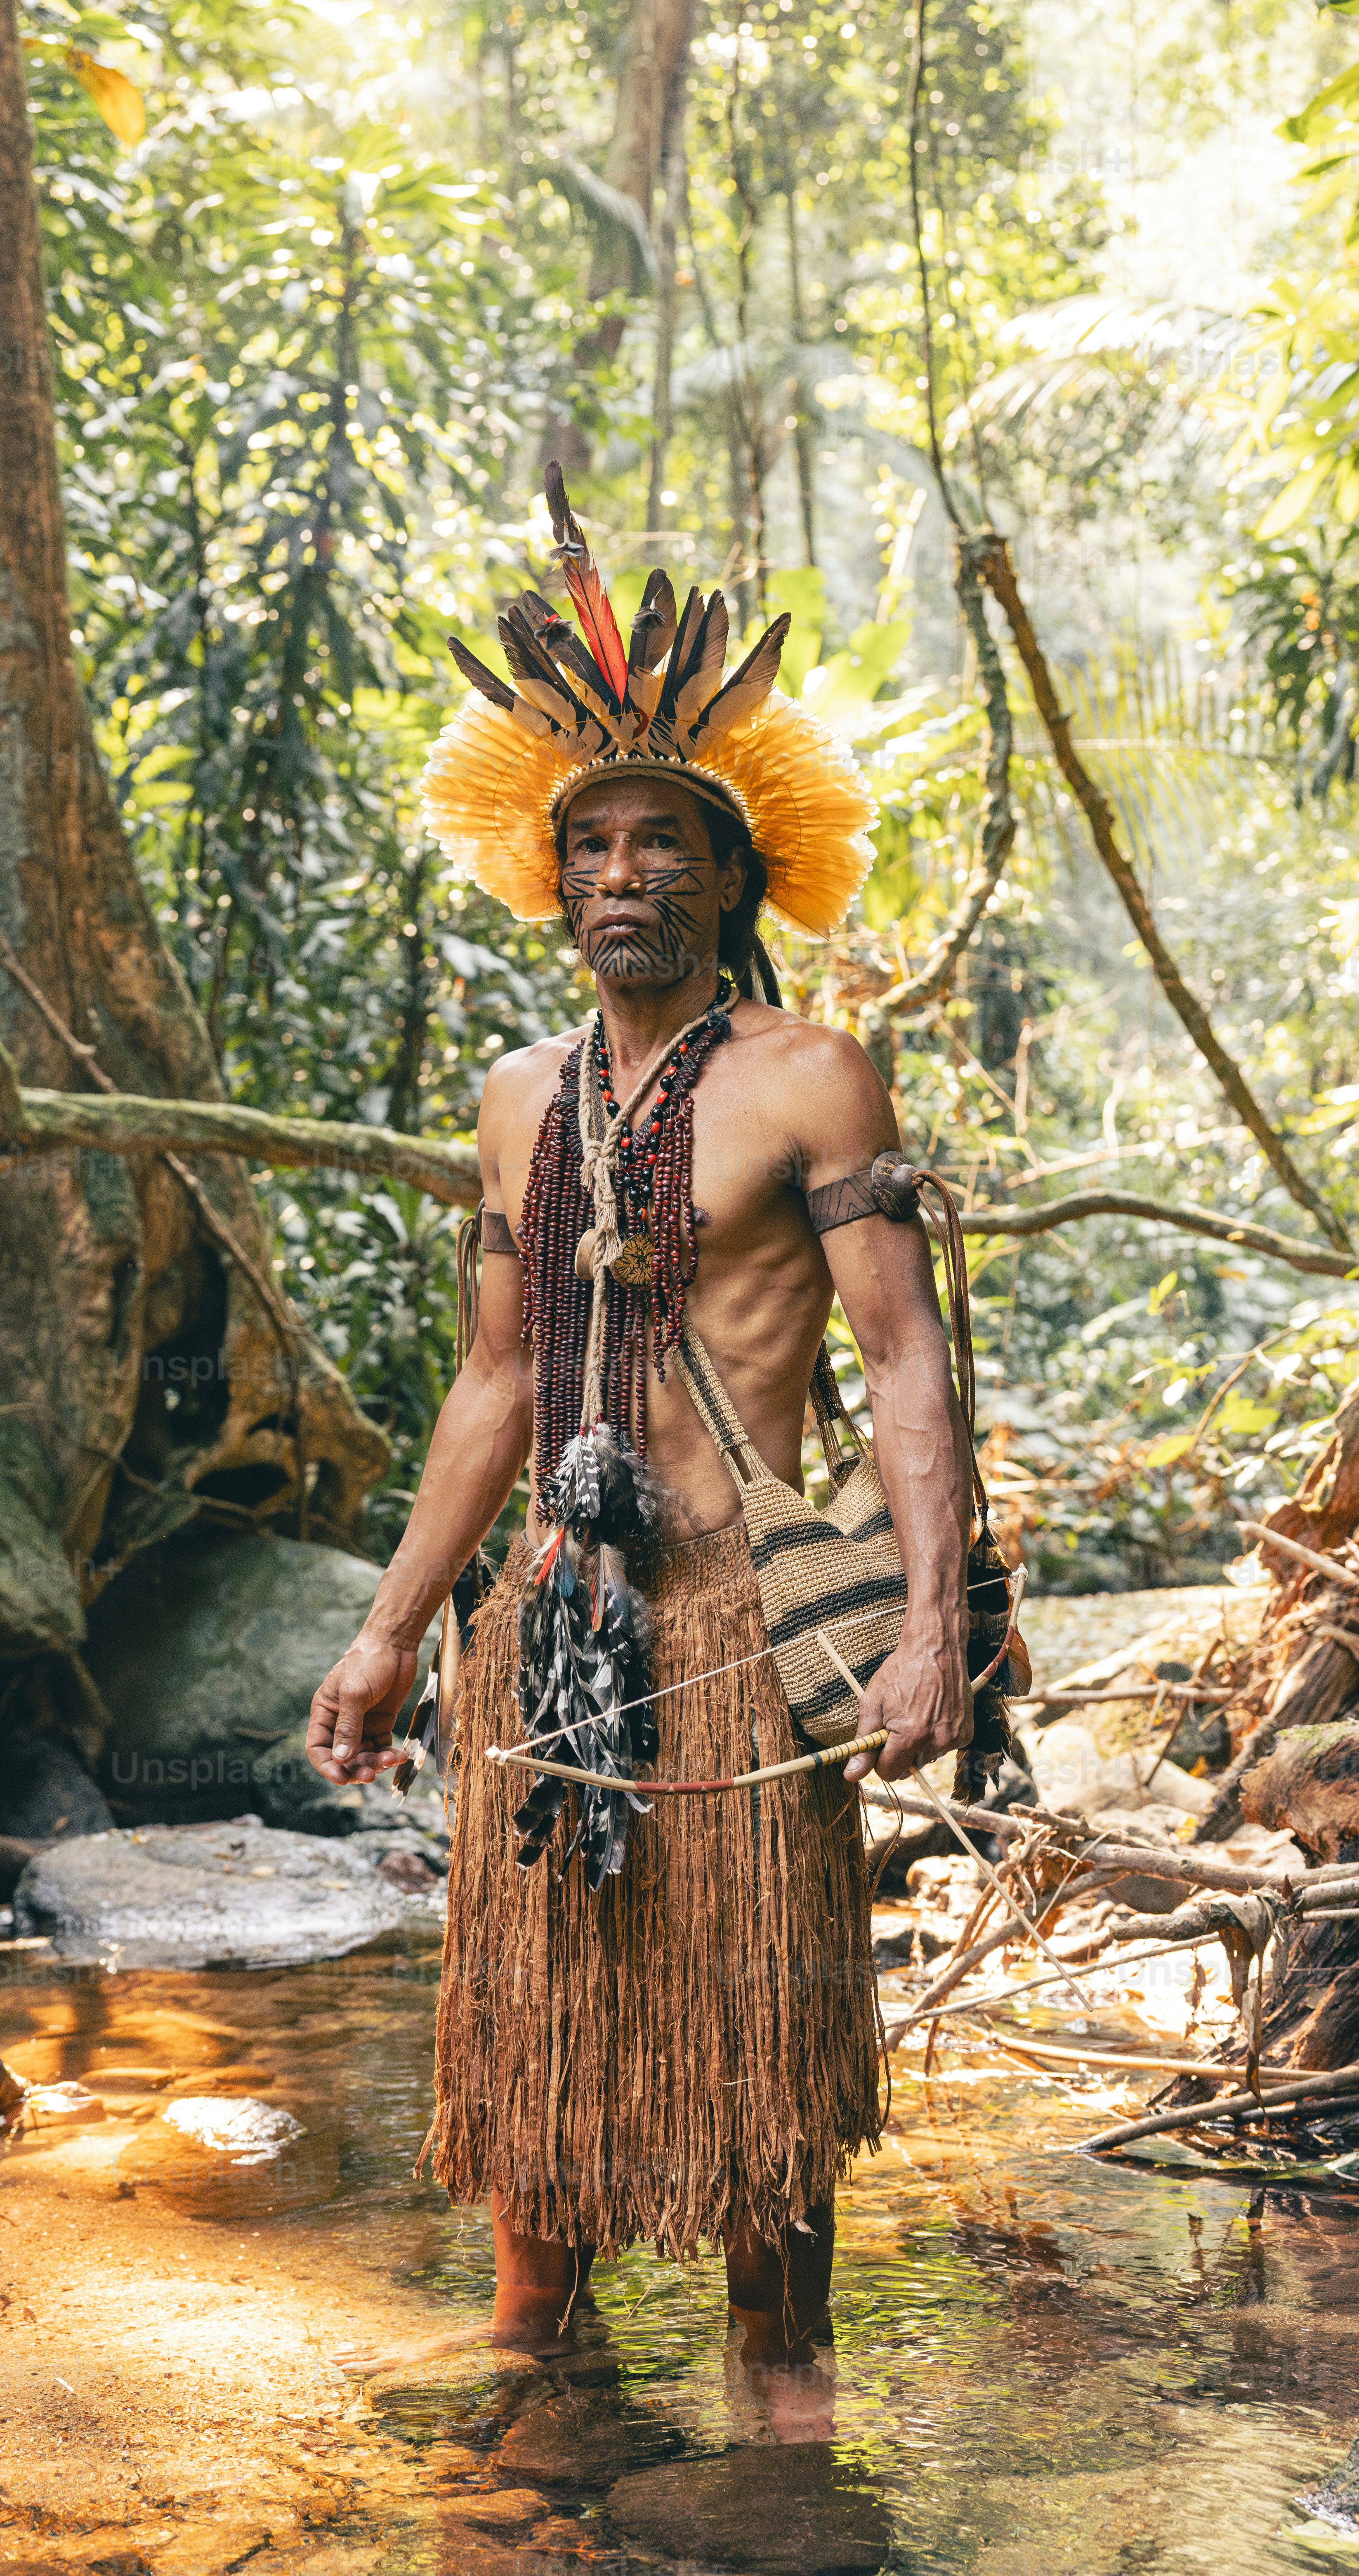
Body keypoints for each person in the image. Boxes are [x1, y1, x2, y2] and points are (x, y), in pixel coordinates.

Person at [306, 471, 974, 2390]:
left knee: (759, 2089)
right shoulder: (520, 1094)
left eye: (659, 836)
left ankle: (787, 2456)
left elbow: (904, 1367)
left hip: (739, 1642)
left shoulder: (810, 1076)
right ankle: (541, 2423)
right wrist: (383, 1633)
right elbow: (499, 1379)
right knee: (535, 2073)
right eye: (587, 839)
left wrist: (928, 1629)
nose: (620, 869)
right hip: (546, 1639)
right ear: (554, 875)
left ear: (727, 868)